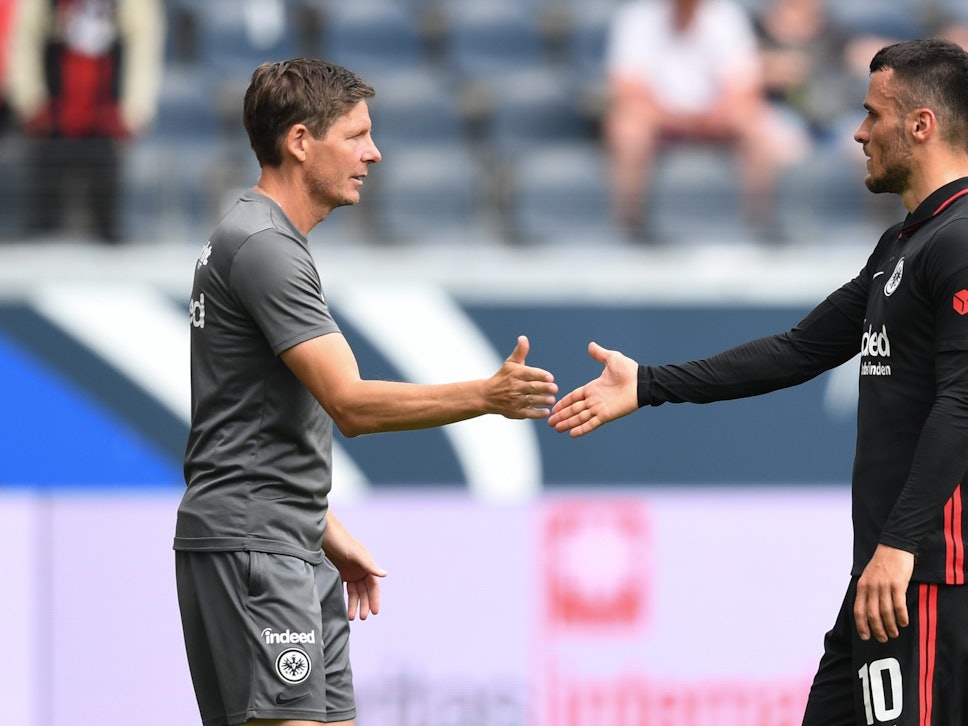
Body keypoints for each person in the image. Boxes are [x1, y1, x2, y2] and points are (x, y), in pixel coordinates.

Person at [551, 38, 968, 725]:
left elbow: (961, 405)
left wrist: (899, 549)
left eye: (873, 115)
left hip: (924, 578)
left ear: (921, 125)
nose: (860, 132)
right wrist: (649, 382)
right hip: (883, 577)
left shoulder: (957, 242)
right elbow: (799, 350)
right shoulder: (902, 245)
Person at [174, 58, 557, 726]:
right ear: (300, 141)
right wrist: (487, 395)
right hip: (256, 549)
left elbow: (248, 415)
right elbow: (348, 404)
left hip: (288, 538)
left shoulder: (259, 237)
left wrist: (321, 526)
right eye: (355, 136)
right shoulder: (264, 245)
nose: (373, 154)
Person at [602, 0, 789, 242]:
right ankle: (631, 223)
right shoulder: (638, 17)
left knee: (756, 124)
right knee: (627, 128)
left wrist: (713, 115)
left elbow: (743, 84)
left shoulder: (725, 15)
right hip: (658, 118)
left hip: (715, 117)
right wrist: (674, 119)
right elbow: (628, 89)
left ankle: (761, 221)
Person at [5, 0, 164, 243]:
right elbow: (25, 39)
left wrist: (134, 111)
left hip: (105, 120)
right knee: (42, 230)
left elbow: (143, 47)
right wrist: (29, 101)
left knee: (107, 232)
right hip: (52, 120)